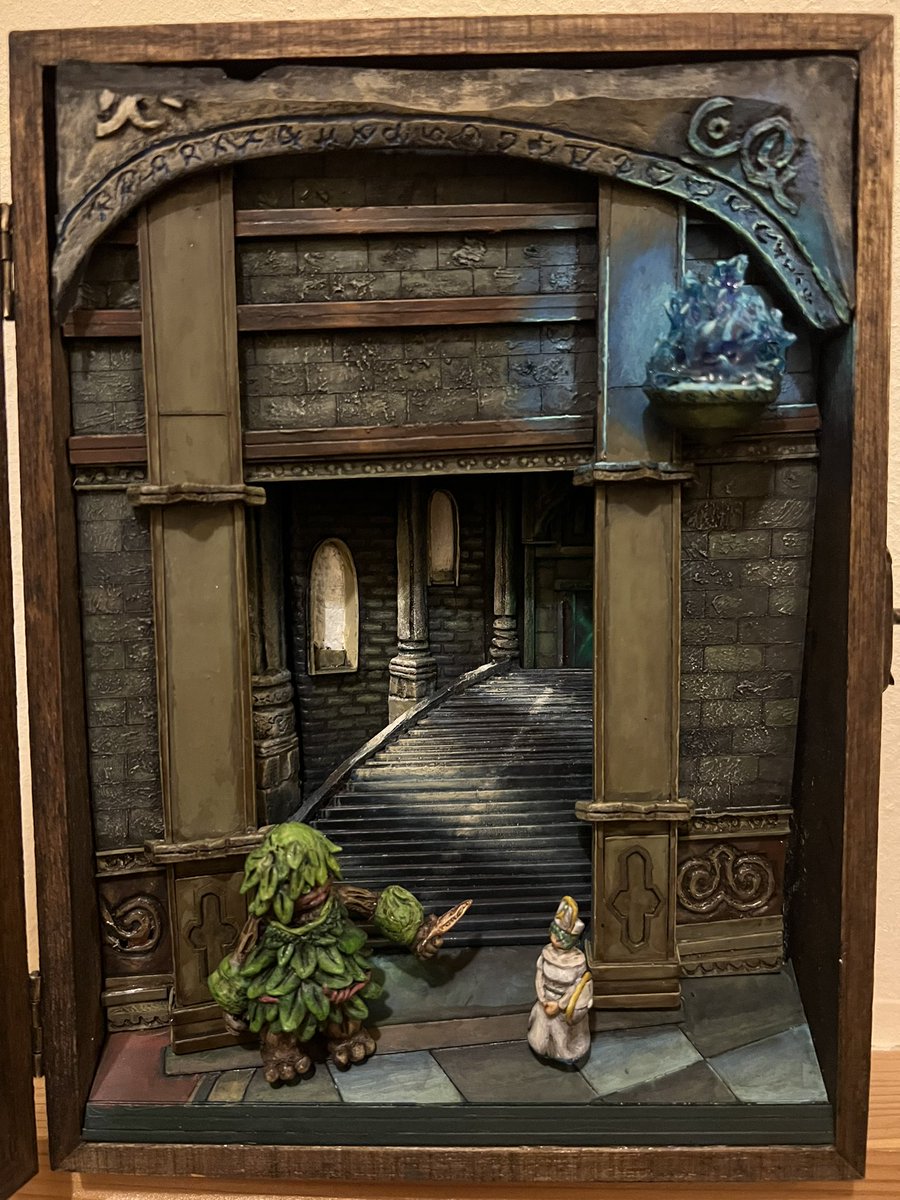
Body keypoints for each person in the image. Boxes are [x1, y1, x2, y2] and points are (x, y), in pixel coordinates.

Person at [527, 895, 593, 1066]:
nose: (555, 939)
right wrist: (543, 999)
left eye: (562, 936)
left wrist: (560, 1005)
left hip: (562, 1007)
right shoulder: (546, 953)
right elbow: (539, 976)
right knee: (540, 1036)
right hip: (546, 1002)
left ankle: (564, 1053)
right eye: (554, 933)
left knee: (563, 1040)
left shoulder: (577, 961)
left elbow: (577, 986)